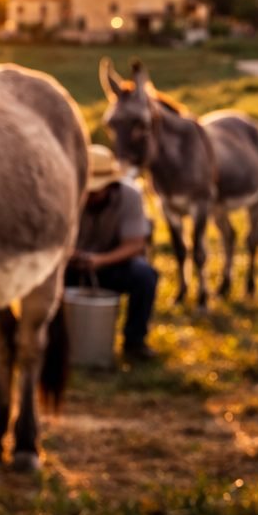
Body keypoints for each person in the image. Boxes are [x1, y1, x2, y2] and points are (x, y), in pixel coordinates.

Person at [67, 145, 159, 362]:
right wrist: (69, 255)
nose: (90, 195)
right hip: (69, 265)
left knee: (145, 276)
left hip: (112, 263)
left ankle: (135, 343)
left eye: (95, 191)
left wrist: (100, 261)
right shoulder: (66, 194)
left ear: (111, 184)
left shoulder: (130, 196)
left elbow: (136, 244)